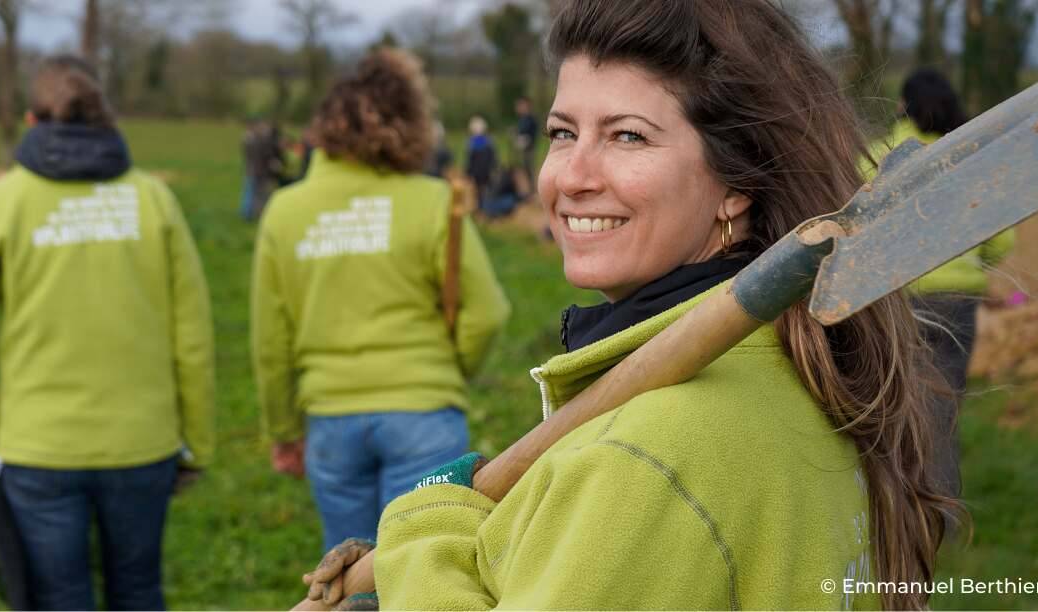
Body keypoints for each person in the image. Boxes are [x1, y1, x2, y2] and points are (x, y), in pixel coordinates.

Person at [304, 2, 959, 609]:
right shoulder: (796, 366)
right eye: (563, 133)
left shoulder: (643, 461)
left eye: (628, 137)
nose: (571, 177)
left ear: (736, 183)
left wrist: (420, 539)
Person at [0, 55, 215, 611]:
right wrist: (196, 441)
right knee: (137, 589)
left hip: (38, 447)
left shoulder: (1, 203)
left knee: (59, 597)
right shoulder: (152, 199)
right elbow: (194, 335)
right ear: (107, 120)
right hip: (144, 442)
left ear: (33, 123)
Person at [251, 49, 511, 553]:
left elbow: (270, 339)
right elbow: (486, 313)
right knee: (424, 568)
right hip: (425, 414)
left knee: (346, 575)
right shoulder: (433, 201)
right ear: (411, 125)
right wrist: (449, 369)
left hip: (331, 418)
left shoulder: (285, 211)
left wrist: (282, 429)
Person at [866, 67, 1016, 498]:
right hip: (959, 300)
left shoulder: (877, 155)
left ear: (902, 107)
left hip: (894, 298)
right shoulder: (970, 156)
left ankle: (892, 509)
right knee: (945, 406)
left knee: (892, 408)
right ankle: (942, 515)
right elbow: (999, 238)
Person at [465, 114, 497, 204]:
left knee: (478, 188)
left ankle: (480, 203)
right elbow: (493, 157)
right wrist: (494, 166)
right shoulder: (489, 141)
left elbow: (470, 160)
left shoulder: (471, 143)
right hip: (486, 170)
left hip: (477, 171)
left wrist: (468, 171)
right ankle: (486, 202)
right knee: (486, 187)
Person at [513, 96, 539, 187]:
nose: (519, 108)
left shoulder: (531, 118)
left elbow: (531, 132)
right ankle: (529, 187)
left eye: (521, 105)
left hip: (529, 146)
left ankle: (532, 187)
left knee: (528, 166)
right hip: (523, 146)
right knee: (525, 167)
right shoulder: (522, 119)